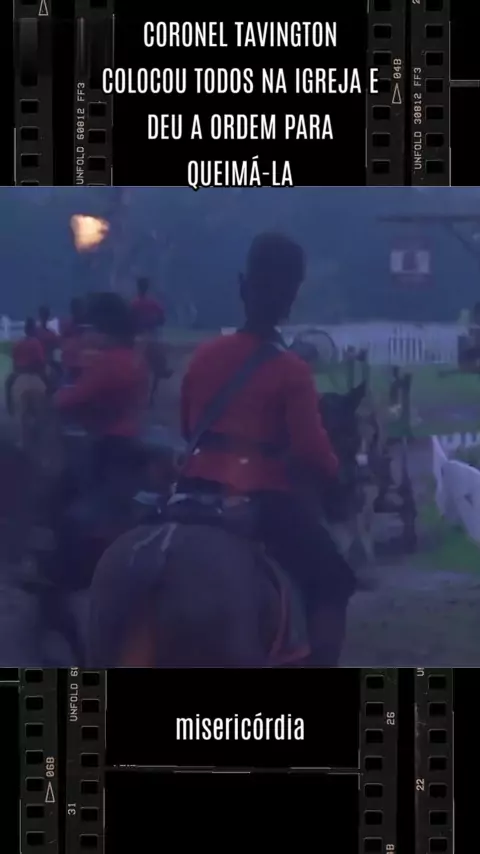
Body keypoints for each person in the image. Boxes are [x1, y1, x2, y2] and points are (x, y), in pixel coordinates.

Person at [178, 231, 356, 665]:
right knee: (334, 579)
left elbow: (187, 427)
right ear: (291, 297)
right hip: (261, 501)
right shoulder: (292, 370)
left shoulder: (203, 356)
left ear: (243, 286)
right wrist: (335, 478)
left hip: (191, 493)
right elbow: (311, 449)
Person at [53, 293, 150, 490]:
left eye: (90, 329)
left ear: (105, 331)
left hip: (107, 441)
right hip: (131, 434)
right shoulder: (134, 358)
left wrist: (54, 398)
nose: (87, 335)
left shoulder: (108, 362)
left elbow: (72, 398)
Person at [5, 317, 47, 415]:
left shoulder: (18, 343)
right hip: (34, 371)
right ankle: (49, 404)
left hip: (19, 372)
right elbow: (41, 362)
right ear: (33, 329)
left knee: (8, 384)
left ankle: (10, 408)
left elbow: (14, 362)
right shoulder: (37, 343)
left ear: (25, 330)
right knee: (49, 382)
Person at [60, 297, 86, 383]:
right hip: (70, 367)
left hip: (85, 366)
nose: (77, 311)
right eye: (75, 308)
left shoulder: (89, 327)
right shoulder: (66, 326)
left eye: (79, 308)